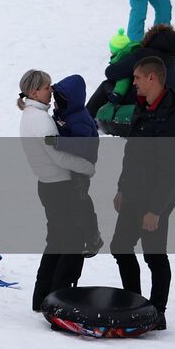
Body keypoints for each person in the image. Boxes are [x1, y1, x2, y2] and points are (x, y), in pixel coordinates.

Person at [110, 56, 175, 328]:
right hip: (133, 192)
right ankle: (134, 302)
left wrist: (155, 210)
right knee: (120, 246)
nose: (134, 83)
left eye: (138, 78)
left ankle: (158, 312)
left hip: (156, 198)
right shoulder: (142, 105)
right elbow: (131, 153)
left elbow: (169, 170)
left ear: (152, 78)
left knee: (154, 255)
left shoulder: (172, 116)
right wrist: (121, 188)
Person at [17, 69, 95, 312]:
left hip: (48, 185)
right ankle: (59, 301)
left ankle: (42, 297)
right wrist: (86, 167)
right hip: (61, 187)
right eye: (47, 86)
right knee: (71, 244)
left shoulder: (33, 115)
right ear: (33, 91)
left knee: (57, 242)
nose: (51, 90)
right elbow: (58, 156)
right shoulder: (41, 120)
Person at [51, 74, 103, 257]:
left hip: (83, 163)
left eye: (59, 101)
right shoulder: (63, 114)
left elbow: (81, 144)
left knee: (80, 200)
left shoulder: (79, 118)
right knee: (71, 201)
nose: (55, 104)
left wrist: (59, 142)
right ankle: (78, 231)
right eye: (55, 99)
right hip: (71, 163)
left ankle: (93, 236)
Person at [87, 24, 175, 117]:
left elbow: (111, 72)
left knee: (106, 85)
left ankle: (87, 115)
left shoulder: (144, 53)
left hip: (144, 102)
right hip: (170, 100)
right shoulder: (172, 57)